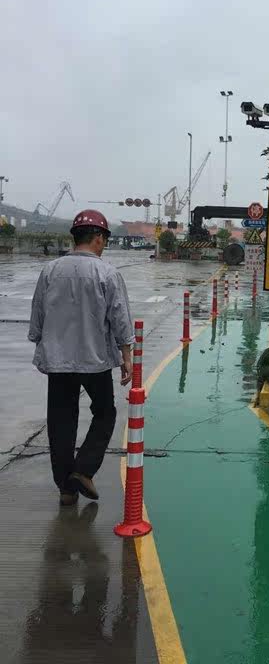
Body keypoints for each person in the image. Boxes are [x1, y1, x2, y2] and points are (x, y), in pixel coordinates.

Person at [28, 210, 134, 506]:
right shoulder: (107, 273)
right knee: (105, 412)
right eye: (104, 239)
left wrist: (39, 339)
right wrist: (126, 356)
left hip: (58, 360)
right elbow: (120, 318)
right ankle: (84, 470)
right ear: (98, 238)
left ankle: (66, 488)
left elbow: (38, 313)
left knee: (61, 420)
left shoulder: (50, 270)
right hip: (94, 359)